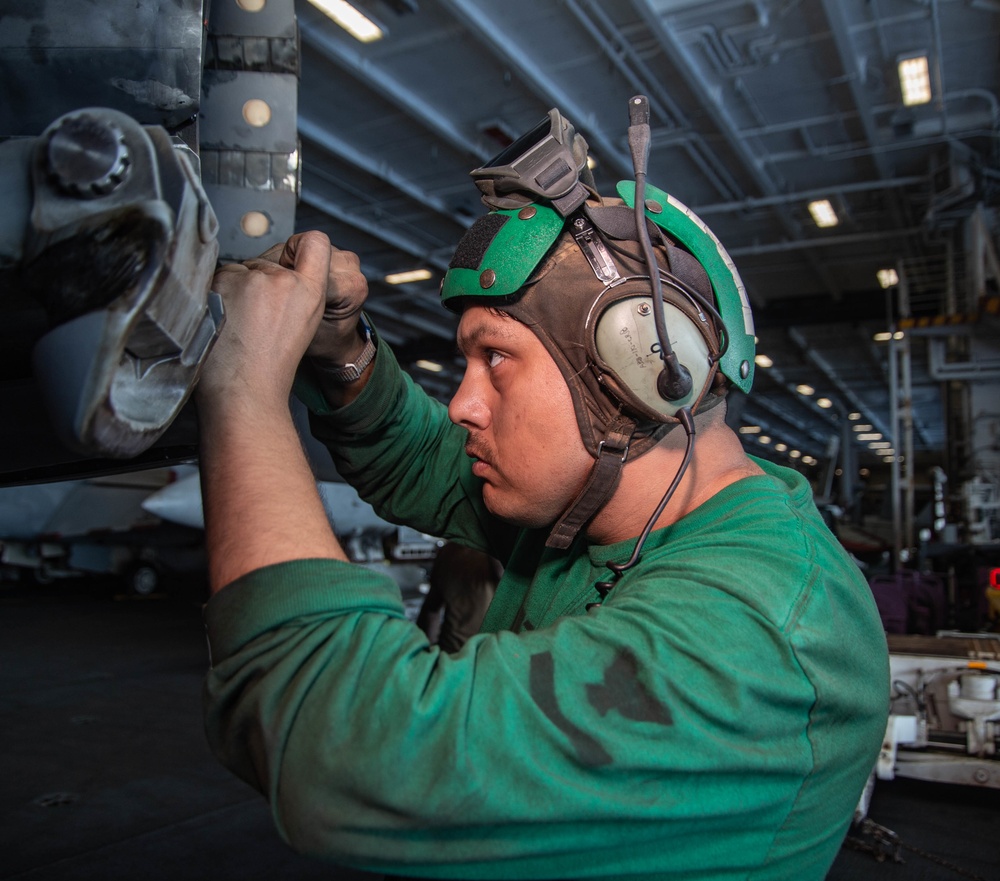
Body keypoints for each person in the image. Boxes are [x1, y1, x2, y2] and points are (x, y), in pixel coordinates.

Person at [197, 104, 890, 880]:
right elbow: (419, 457)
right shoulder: (581, 512)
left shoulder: (760, 636)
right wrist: (342, 349)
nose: (462, 403)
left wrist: (244, 389)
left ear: (644, 368)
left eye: (494, 357)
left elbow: (346, 749)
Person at [416, 541, 502, 652]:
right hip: (481, 653)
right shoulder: (496, 553)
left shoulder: (449, 550)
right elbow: (431, 609)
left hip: (455, 652)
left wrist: (428, 650)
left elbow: (431, 610)